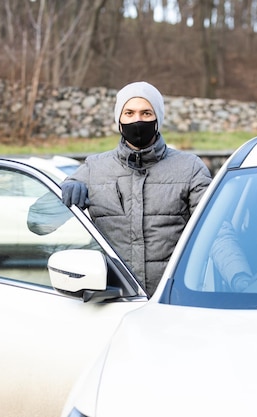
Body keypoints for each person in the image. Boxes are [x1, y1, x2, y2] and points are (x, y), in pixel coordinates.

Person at [60, 81, 212, 296]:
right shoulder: (95, 168)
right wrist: (64, 190)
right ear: (119, 120)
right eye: (129, 113)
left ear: (158, 118)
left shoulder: (190, 168)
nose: (137, 120)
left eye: (146, 113)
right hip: (114, 300)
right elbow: (38, 224)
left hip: (172, 299)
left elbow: (216, 231)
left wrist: (240, 279)